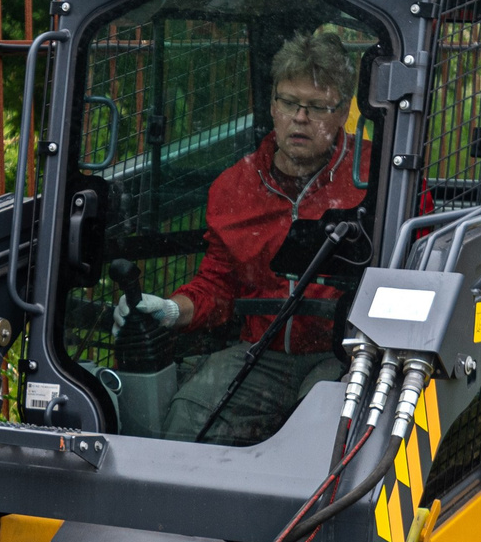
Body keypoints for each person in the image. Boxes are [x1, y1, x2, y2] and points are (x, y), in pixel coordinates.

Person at [114, 29, 369, 444]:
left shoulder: (376, 178)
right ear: (272, 105)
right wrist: (167, 310)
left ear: (341, 112)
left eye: (316, 106)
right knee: (187, 422)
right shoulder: (236, 186)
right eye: (289, 102)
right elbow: (217, 285)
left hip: (344, 356)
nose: (300, 118)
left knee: (323, 438)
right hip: (262, 355)